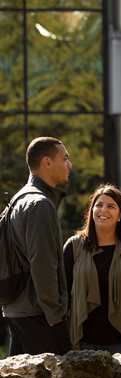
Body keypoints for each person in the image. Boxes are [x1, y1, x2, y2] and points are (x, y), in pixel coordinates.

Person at [2, 136, 73, 356]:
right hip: (39, 315)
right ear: (47, 162)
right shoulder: (40, 204)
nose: (69, 165)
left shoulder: (19, 199)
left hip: (18, 310)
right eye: (65, 158)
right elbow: (42, 263)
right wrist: (56, 315)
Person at [63, 183, 121, 354]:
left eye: (111, 206)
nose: (103, 210)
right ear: (92, 211)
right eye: (99, 205)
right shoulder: (74, 246)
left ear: (120, 215)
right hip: (82, 339)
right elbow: (63, 289)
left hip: (120, 340)